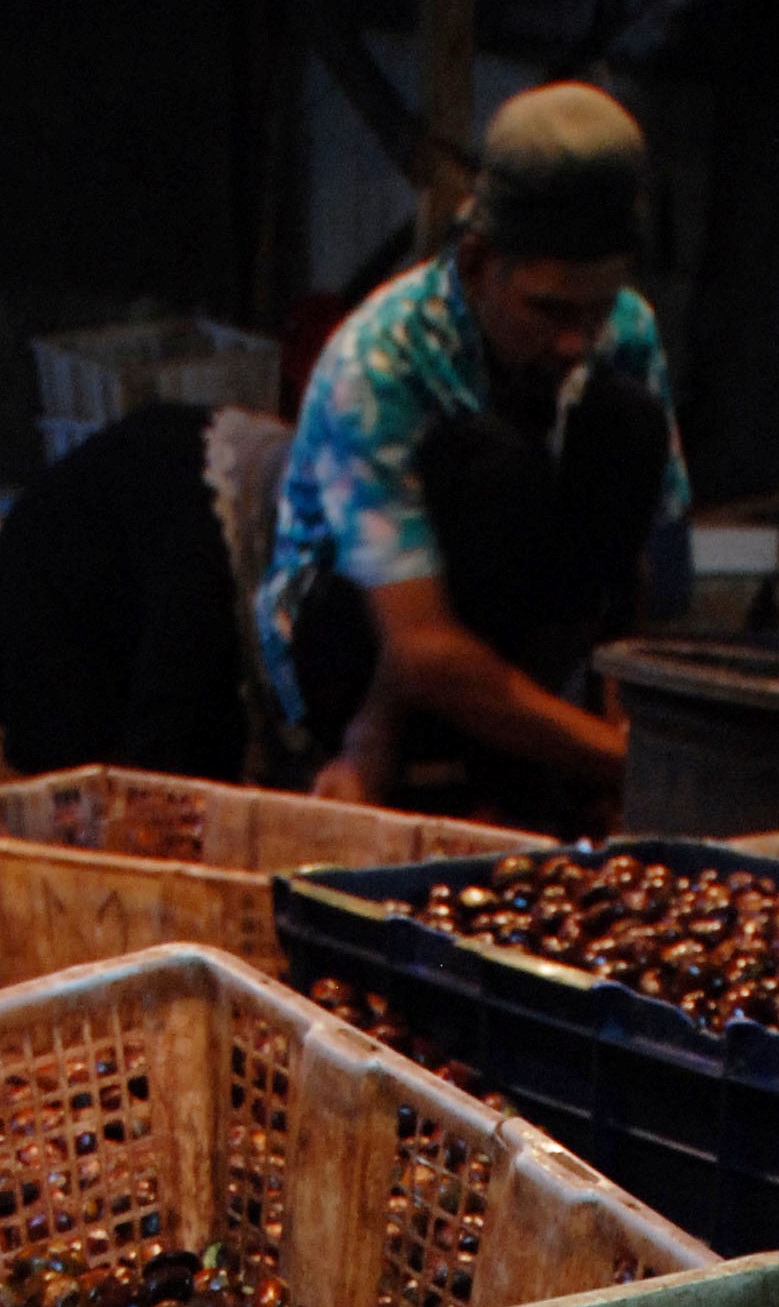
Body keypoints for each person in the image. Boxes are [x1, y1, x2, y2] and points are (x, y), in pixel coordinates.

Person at [253, 82, 691, 832]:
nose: (576, 340)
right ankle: (389, 747)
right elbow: (418, 645)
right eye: (550, 309)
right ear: (480, 262)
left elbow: (640, 572)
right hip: (355, 643)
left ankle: (533, 756)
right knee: (492, 464)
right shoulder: (381, 359)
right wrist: (629, 763)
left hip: (511, 630)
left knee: (624, 421)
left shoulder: (624, 330)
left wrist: (626, 748)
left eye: (596, 308)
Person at [0, 401, 294, 782]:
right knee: (106, 794)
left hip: (141, 552)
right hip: (57, 591)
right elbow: (160, 764)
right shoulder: (202, 584)